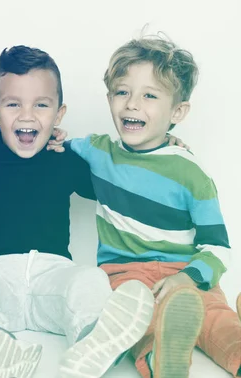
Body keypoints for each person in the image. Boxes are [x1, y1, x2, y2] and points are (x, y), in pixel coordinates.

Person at [0, 45, 155, 378]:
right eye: (13, 104)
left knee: (88, 277)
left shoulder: (63, 159)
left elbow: (114, 184)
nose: (27, 116)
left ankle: (92, 339)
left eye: (41, 105)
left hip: (52, 277)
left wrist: (159, 145)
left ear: (59, 113)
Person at [65, 35, 240, 378]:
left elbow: (217, 247)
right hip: (125, 278)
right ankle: (162, 358)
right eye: (122, 92)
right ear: (109, 98)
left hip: (184, 274)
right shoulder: (98, 152)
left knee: (217, 319)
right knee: (135, 322)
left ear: (177, 111)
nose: (131, 104)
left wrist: (188, 278)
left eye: (149, 95)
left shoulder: (191, 173)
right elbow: (41, 140)